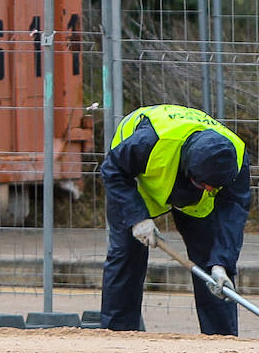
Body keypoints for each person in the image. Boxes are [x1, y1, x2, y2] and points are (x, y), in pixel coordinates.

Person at [98, 104, 251, 334]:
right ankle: (119, 334)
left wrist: (222, 263)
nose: (210, 189)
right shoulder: (149, 141)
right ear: (190, 170)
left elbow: (232, 214)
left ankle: (222, 342)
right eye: (204, 185)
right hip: (139, 183)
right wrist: (137, 217)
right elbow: (113, 170)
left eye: (214, 188)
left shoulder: (235, 159)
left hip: (196, 202)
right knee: (126, 254)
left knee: (214, 273)